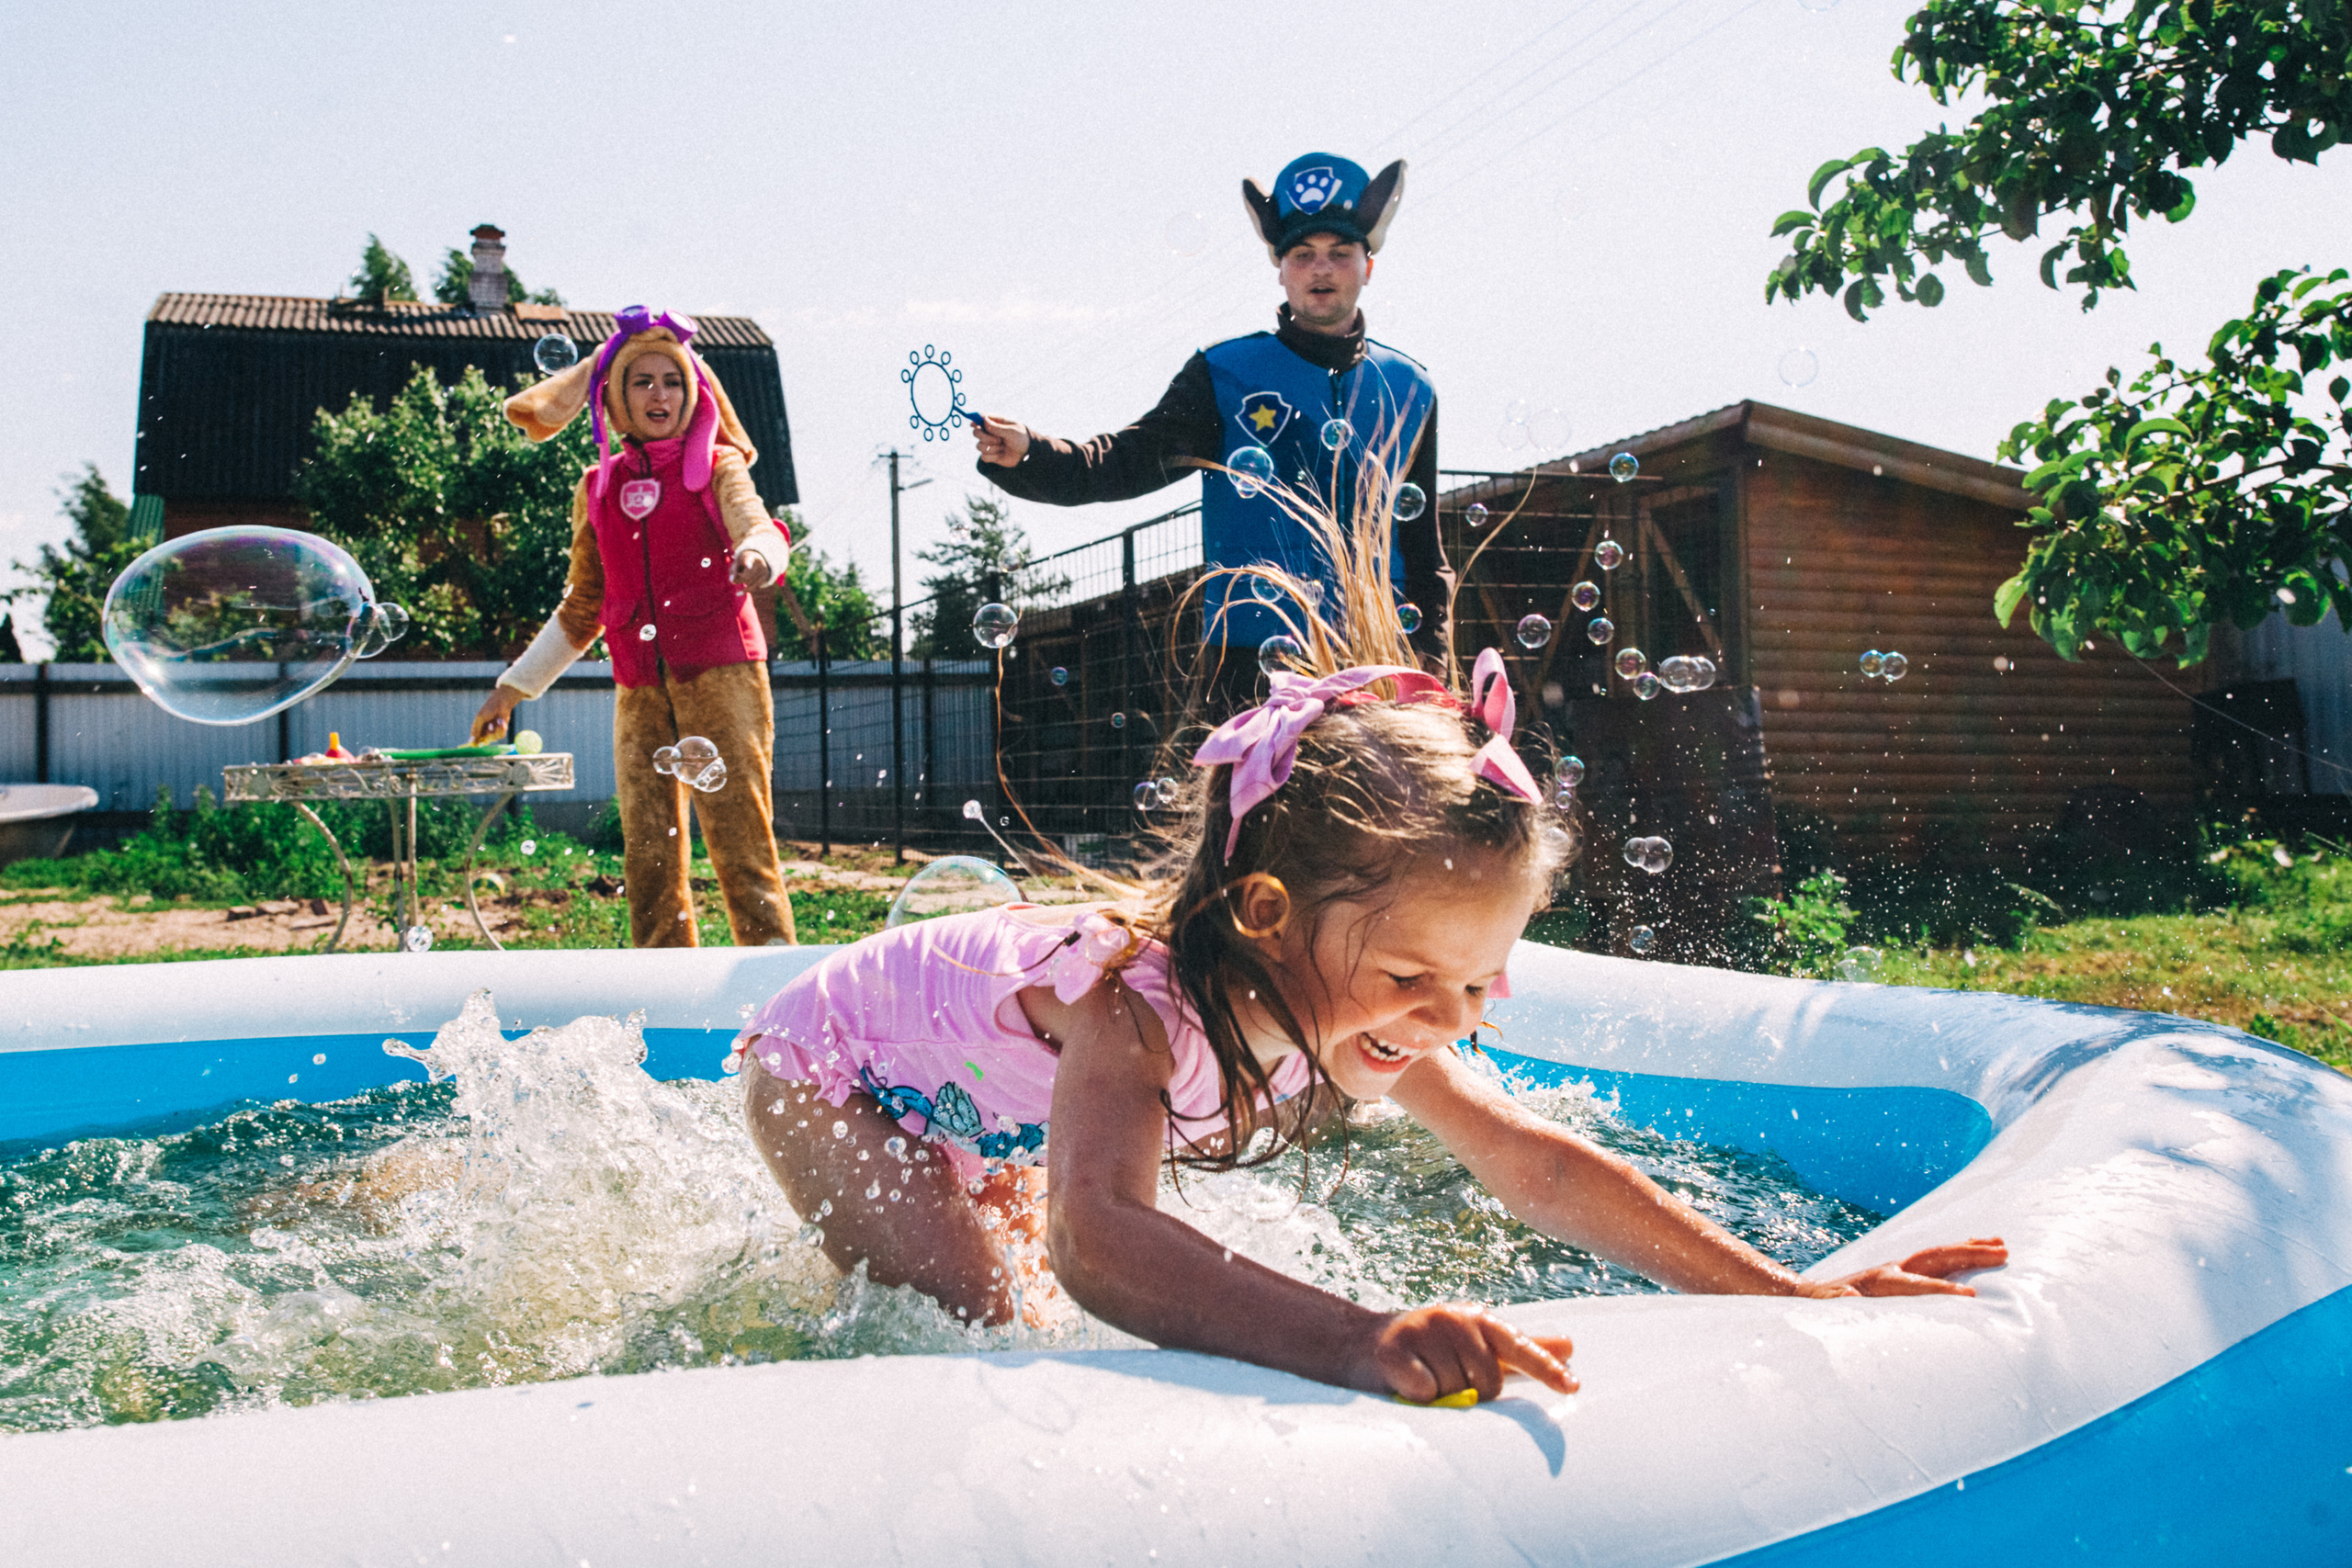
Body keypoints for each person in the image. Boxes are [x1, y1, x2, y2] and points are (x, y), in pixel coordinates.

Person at [729, 476, 2006, 1403]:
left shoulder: (1358, 1010)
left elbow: (1532, 1162)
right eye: (1416, 975)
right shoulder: (1130, 1006)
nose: (1450, 1014)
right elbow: (1101, 1238)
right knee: (992, 1325)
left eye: (1477, 977)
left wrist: (1787, 1295)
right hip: (830, 1067)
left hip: (978, 1088)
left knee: (1024, 1297)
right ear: (1269, 914)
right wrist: (1351, 1334)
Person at [972, 152, 1453, 668]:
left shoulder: (1412, 387)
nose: (1320, 267)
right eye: (1301, 253)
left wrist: (1435, 665)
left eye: (1339, 251)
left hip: (1383, 654)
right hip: (1249, 660)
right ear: (1280, 271)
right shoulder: (1224, 373)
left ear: (1369, 267)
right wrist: (1032, 454)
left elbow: (1425, 551)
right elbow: (1127, 460)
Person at [472, 307, 797, 948]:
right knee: (648, 855)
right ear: (616, 396)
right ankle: (666, 992)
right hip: (640, 689)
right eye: (642, 380)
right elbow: (582, 607)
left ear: (694, 389)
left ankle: (778, 989)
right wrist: (512, 689)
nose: (659, 393)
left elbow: (756, 523)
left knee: (742, 844)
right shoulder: (598, 486)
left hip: (723, 675)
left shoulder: (720, 466)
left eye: (672, 380)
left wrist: (761, 554)